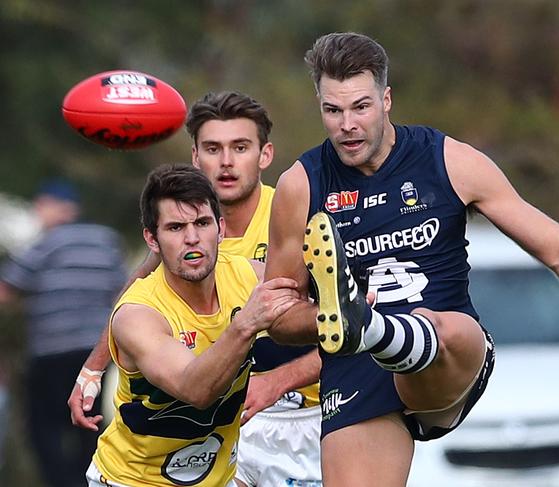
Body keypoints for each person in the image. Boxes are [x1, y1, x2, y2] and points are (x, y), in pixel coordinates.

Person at [264, 32, 559, 486]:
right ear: (321, 108)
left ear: (387, 100)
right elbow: (280, 317)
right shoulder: (301, 186)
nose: (347, 124)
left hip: (449, 359)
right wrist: (321, 319)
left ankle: (366, 324)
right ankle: (355, 321)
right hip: (359, 368)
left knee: (442, 328)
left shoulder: (448, 161)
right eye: (333, 110)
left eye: (361, 107)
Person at [69, 91, 323, 486]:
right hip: (152, 463)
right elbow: (138, 300)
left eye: (239, 147)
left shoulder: (284, 232)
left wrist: (281, 378)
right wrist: (93, 367)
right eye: (212, 148)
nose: (225, 162)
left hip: (292, 419)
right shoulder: (154, 288)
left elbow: (343, 323)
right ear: (154, 238)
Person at [86, 164, 299, 487]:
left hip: (219, 479)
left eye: (202, 223)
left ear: (221, 229)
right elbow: (196, 391)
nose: (192, 238)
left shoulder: (248, 276)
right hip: (132, 481)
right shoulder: (137, 314)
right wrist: (245, 325)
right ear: (152, 239)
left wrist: (349, 300)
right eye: (175, 227)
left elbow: (313, 312)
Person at [0, 179, 126, 487]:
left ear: (49, 206)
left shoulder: (47, 242)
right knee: (90, 427)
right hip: (95, 354)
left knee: (45, 430)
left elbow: (5, 290)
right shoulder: (105, 241)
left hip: (51, 352)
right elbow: (123, 294)